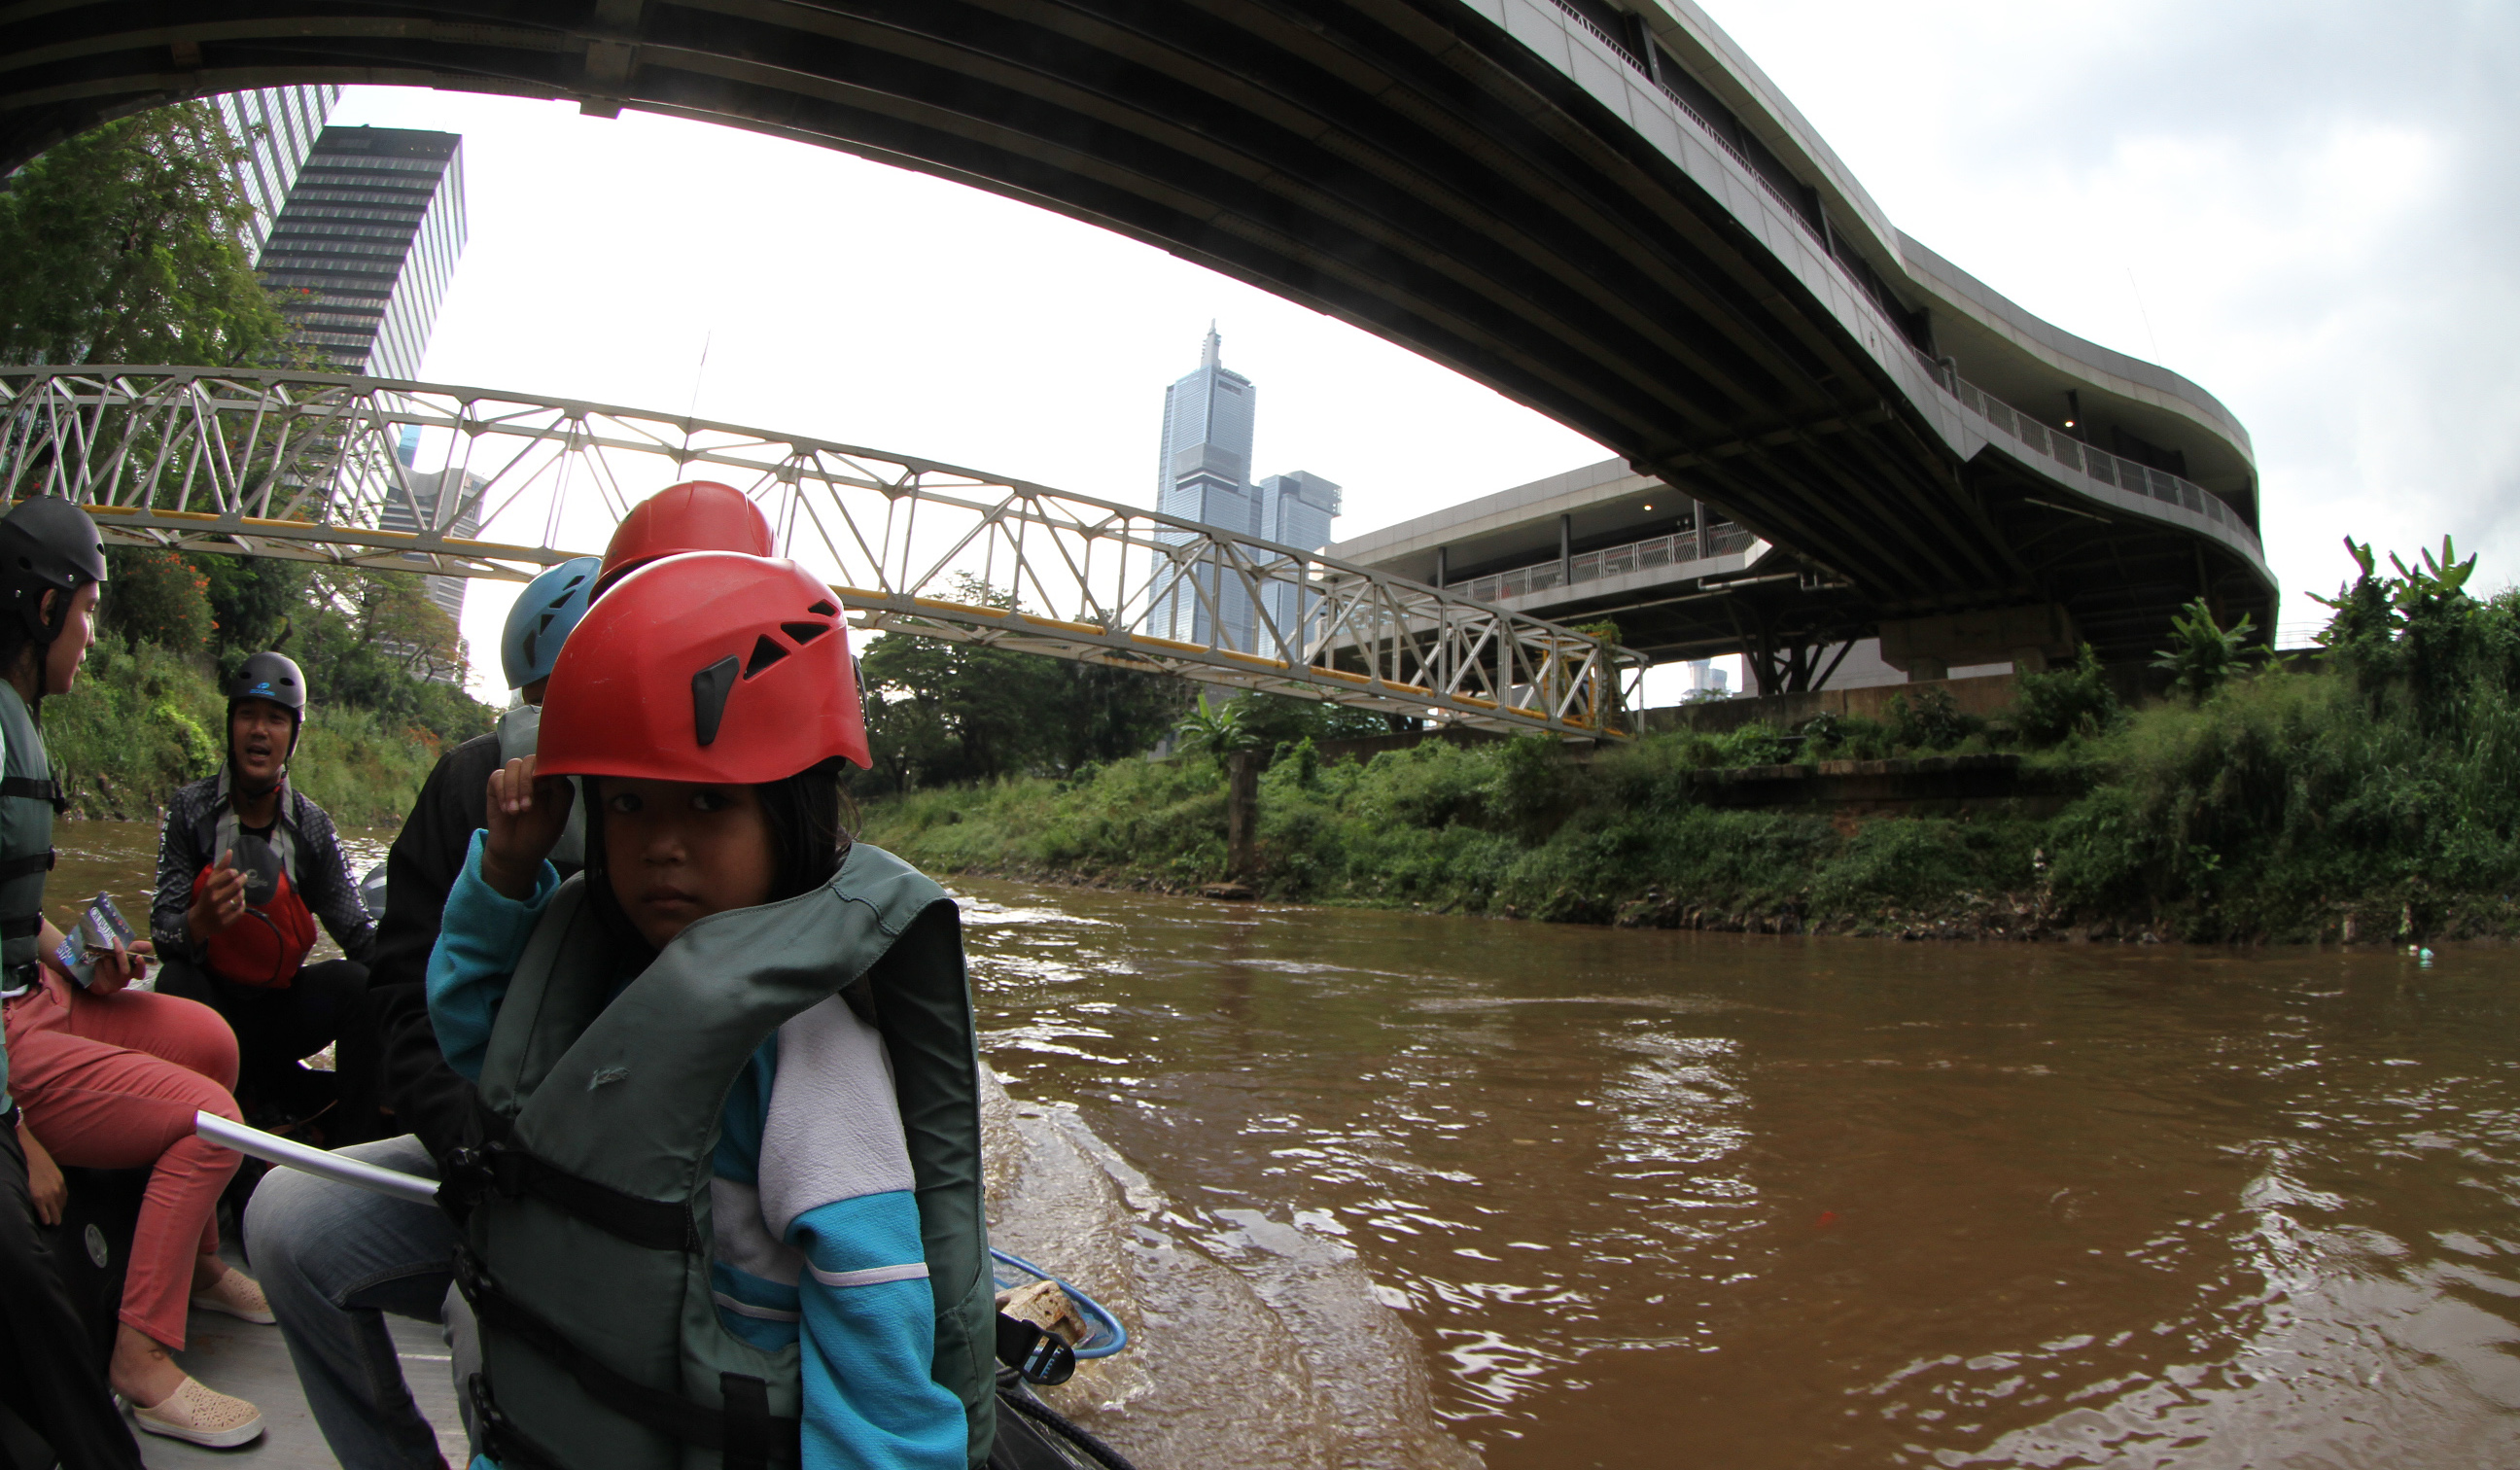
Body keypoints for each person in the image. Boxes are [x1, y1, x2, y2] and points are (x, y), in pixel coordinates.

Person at [246, 485, 778, 1470]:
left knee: (501, 1316)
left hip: (688, 1199)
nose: (664, 839)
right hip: (502, 1156)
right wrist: (478, 1154)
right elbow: (421, 1002)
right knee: (287, 1221)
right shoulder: (479, 792)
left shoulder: (780, 804)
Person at [437, 549, 992, 1469]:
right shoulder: (605, 965)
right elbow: (478, 1041)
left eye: (706, 804)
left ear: (792, 817)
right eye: (627, 805)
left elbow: (878, 1354)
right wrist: (504, 875)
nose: (660, 845)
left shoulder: (810, 1051)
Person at [0, 497, 264, 1455]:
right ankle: (142, 1357)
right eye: (87, 612)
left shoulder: (18, 719)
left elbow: (10, 912)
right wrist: (12, 1129)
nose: (91, 634)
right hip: (10, 1043)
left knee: (213, 1041)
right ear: (44, 609)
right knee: (214, 1120)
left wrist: (82, 957)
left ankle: (193, 1262)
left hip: (38, 996)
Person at [152, 651, 377, 1129]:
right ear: (231, 726)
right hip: (211, 1008)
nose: (259, 731)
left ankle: (355, 1140)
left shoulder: (312, 828)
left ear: (292, 736)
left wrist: (421, 978)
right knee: (174, 978)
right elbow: (162, 931)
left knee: (358, 984)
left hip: (280, 1014)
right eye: (247, 715)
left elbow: (358, 935)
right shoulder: (190, 810)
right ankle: (198, 1116)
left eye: (275, 719)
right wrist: (198, 923)